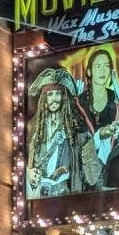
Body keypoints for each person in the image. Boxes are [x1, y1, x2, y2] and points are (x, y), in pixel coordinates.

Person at [26, 69, 101, 198]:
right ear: (44, 98)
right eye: (50, 95)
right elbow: (22, 160)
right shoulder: (33, 127)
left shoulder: (76, 129)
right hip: (36, 193)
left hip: (64, 193)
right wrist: (28, 172)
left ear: (64, 97)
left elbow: (91, 174)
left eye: (58, 94)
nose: (54, 99)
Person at [75, 48, 119, 163]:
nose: (102, 71)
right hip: (86, 165)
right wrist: (100, 134)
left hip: (114, 162)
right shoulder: (79, 103)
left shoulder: (118, 99)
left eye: (106, 66)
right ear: (89, 72)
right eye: (98, 66)